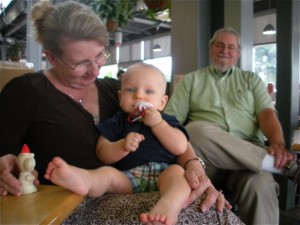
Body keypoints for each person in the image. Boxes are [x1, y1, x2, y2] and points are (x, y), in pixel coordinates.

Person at [0, 1, 239, 224]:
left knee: (217, 213)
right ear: (51, 57)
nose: (94, 70)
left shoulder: (120, 91)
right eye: (80, 63)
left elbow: (174, 138)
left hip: (147, 190)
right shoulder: (25, 91)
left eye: (99, 56)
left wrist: (195, 168)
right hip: (73, 204)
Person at [164, 26, 300, 225]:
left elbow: (266, 113)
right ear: (211, 49)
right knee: (194, 130)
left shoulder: (251, 80)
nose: (224, 50)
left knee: (261, 185)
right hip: (206, 161)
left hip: (248, 163)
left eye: (230, 47)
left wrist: (278, 144)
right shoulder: (192, 80)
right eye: (219, 45)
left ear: (238, 53)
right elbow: (170, 121)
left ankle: (272, 164)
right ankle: (284, 168)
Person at [45, 63, 193, 225]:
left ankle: (168, 207)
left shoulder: (167, 120)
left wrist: (158, 124)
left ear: (162, 102)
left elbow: (180, 147)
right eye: (131, 90)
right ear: (120, 96)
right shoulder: (118, 121)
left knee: (178, 173)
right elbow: (103, 152)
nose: (139, 96)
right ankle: (84, 180)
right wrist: (122, 146)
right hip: (128, 177)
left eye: (149, 91)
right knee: (107, 174)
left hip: (165, 173)